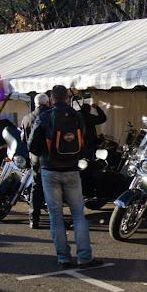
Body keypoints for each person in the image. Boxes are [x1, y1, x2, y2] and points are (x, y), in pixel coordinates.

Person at [28, 85, 102, 270]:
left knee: (56, 216)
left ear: (51, 100)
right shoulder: (77, 116)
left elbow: (32, 145)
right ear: (67, 99)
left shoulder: (44, 117)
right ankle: (85, 257)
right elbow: (83, 140)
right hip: (72, 169)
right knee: (78, 215)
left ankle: (63, 258)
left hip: (49, 170)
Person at [21, 93, 51, 229]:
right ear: (47, 103)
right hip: (50, 157)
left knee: (36, 187)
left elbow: (23, 139)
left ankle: (34, 218)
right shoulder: (52, 116)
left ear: (35, 104)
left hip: (34, 157)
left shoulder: (27, 118)